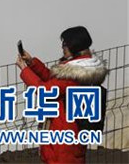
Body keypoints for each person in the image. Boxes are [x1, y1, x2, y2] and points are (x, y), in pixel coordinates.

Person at [17, 26, 108, 164]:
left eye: (65, 44)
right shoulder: (82, 67)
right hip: (71, 133)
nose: (62, 47)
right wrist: (32, 63)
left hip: (64, 137)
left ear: (75, 46)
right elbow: (53, 80)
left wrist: (24, 70)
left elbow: (45, 90)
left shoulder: (73, 74)